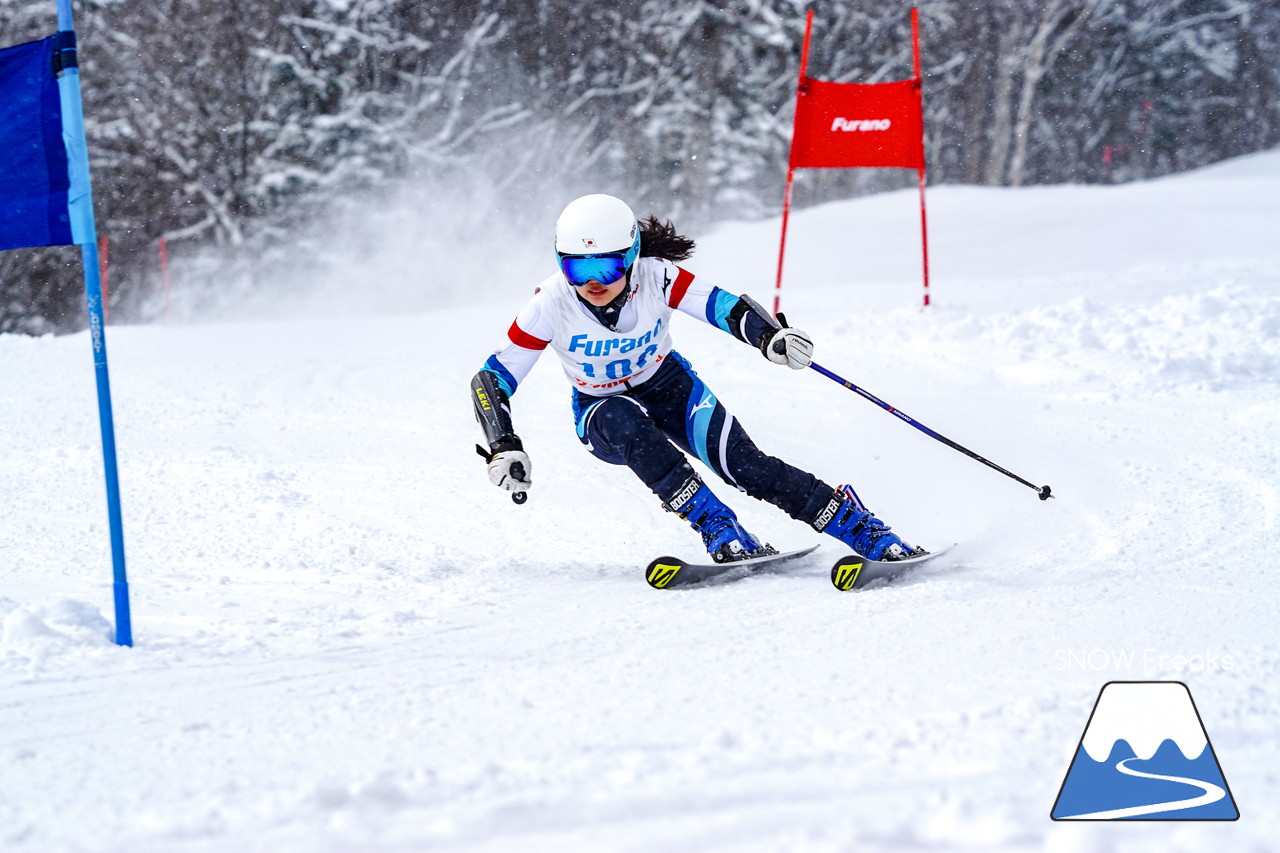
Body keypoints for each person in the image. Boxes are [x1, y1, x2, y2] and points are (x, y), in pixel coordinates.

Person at [470, 193, 919, 563]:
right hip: (599, 413)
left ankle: (856, 525)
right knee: (627, 422)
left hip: (669, 386)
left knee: (747, 468)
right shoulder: (550, 303)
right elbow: (492, 379)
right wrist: (502, 443)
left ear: (630, 256)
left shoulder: (657, 276)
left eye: (605, 267)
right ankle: (718, 525)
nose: (592, 282)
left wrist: (770, 337)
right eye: (576, 268)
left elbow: (722, 307)